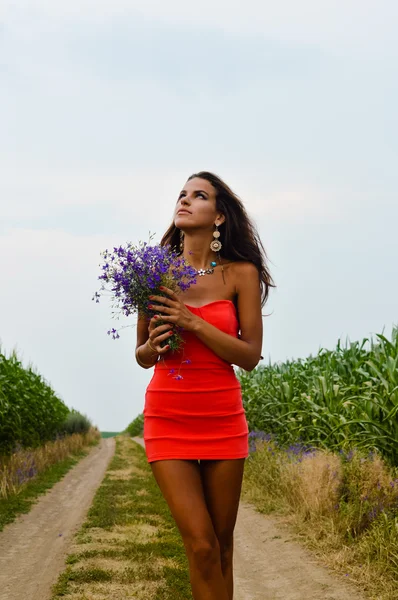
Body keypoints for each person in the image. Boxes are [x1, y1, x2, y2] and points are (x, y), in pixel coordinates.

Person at [135, 171, 274, 600]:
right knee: (200, 544)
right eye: (182, 194)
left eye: (199, 195)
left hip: (222, 416)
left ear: (218, 217)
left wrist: (192, 322)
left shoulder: (240, 275)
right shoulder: (152, 274)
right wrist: (153, 347)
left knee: (222, 544)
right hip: (168, 415)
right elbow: (141, 356)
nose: (185, 200)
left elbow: (249, 356)